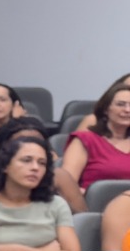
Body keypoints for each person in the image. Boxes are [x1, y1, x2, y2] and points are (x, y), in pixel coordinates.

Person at [56, 75, 130, 215]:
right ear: (106, 109)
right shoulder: (85, 140)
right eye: (121, 104)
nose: (127, 110)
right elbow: (67, 184)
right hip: (95, 211)